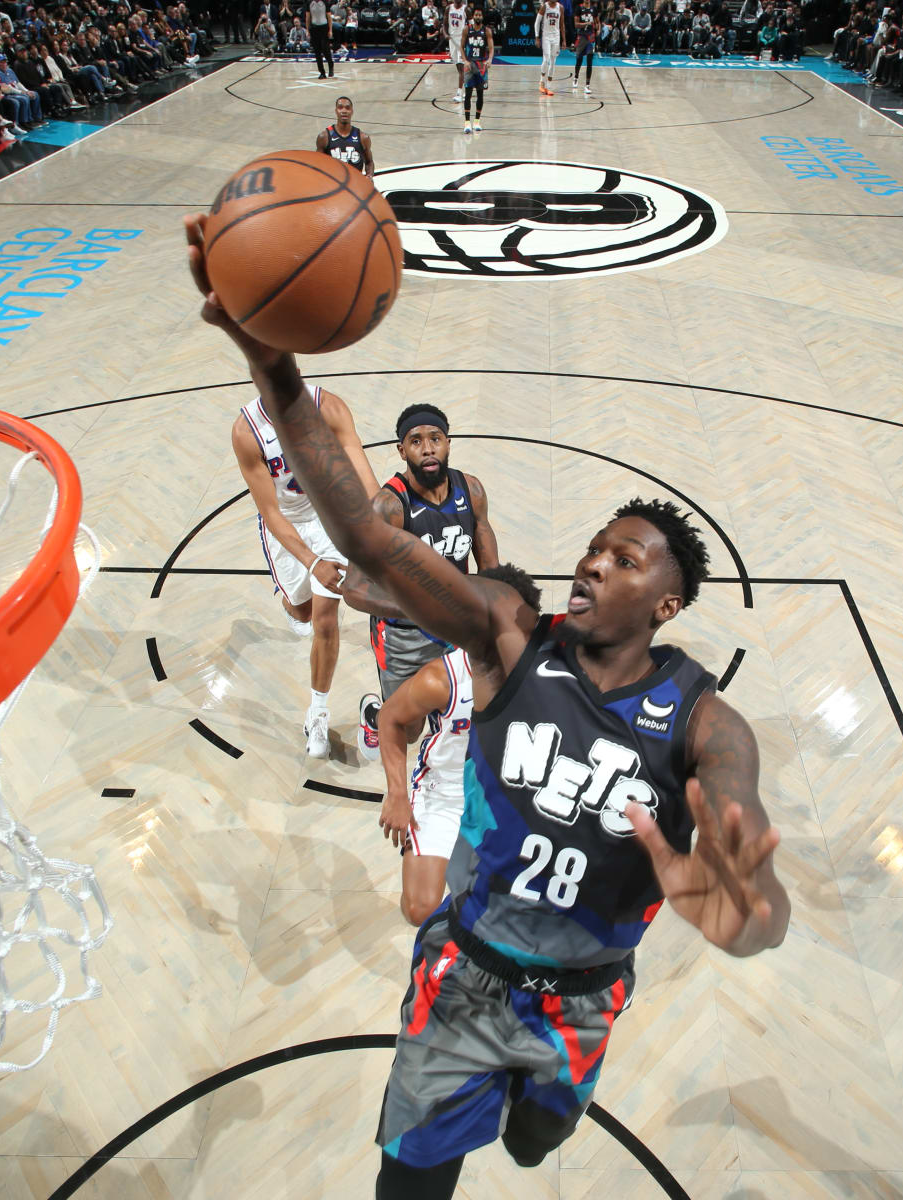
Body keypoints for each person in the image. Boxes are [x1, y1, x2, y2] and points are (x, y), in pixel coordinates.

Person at [182, 212, 789, 1200]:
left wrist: (745, 910)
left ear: (666, 605)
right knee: (411, 1183)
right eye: (597, 544)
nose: (596, 559)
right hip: (462, 976)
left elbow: (757, 906)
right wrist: (274, 366)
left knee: (535, 1144)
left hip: (581, 1002)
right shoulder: (512, 640)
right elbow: (370, 543)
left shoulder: (707, 725)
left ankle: (542, 1106)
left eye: (625, 559)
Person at [373, 563, 541, 926]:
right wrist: (397, 795)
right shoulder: (442, 678)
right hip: (445, 790)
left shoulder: (544, 671)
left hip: (508, 792)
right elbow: (390, 718)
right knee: (420, 911)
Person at [230, 376, 380, 756]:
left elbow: (363, 472)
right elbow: (270, 512)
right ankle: (292, 604)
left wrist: (384, 521)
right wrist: (312, 563)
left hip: (330, 515)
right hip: (287, 525)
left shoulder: (327, 406)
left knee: (325, 621)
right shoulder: (247, 432)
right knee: (302, 610)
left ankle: (316, 713)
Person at [343, 402, 500, 757]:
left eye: (435, 438)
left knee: (464, 710)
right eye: (415, 441)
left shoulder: (471, 490)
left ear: (448, 443)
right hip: (403, 635)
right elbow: (352, 588)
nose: (427, 448)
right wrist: (418, 606)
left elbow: (489, 566)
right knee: (408, 730)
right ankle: (374, 715)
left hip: (455, 627)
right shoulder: (388, 507)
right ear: (402, 451)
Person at [315, 94, 372, 174]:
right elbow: (317, 164)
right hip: (334, 184)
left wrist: (369, 175)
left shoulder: (363, 138)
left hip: (354, 185)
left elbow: (369, 162)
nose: (344, 111)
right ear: (336, 111)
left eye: (348, 108)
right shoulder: (324, 137)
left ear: (352, 111)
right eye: (340, 107)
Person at [460, 14, 490, 134]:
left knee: (480, 94)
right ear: (473, 16)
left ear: (482, 17)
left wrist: (490, 59)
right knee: (467, 94)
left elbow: (492, 48)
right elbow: (461, 47)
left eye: (480, 14)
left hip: (481, 65)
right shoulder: (467, 29)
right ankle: (467, 123)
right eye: (476, 14)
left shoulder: (486, 31)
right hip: (470, 64)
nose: (478, 16)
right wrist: (465, 60)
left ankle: (477, 121)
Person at [536, 0, 562, 96]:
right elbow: (537, 22)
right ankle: (542, 81)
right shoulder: (544, 7)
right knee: (546, 59)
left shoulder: (560, 7)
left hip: (556, 36)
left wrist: (563, 40)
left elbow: (562, 24)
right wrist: (537, 37)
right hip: (546, 36)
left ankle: (549, 86)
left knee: (553, 61)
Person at [571, 0, 596, 93]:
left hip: (590, 37)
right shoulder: (579, 8)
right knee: (579, 60)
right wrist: (586, 24)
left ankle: (587, 85)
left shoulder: (594, 9)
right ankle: (576, 77)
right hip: (581, 37)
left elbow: (597, 22)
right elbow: (576, 24)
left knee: (590, 60)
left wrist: (598, 30)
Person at [445, 0, 468, 98]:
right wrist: (445, 34)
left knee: (461, 67)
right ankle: (467, 87)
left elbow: (471, 25)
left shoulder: (466, 8)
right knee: (458, 67)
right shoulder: (448, 8)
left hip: (462, 40)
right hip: (452, 40)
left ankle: (459, 92)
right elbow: (444, 23)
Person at [308, 0, 333, 77]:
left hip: (324, 28)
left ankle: (330, 66)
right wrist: (307, 30)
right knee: (317, 51)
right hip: (314, 28)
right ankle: (322, 72)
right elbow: (308, 17)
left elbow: (329, 17)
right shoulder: (309, 2)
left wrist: (330, 30)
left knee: (325, 49)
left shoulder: (325, 2)